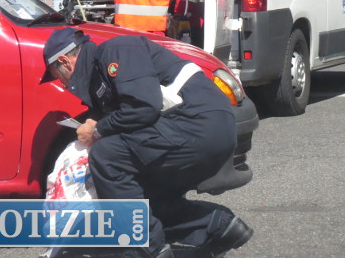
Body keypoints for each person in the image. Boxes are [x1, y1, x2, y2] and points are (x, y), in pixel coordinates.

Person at [40, 28, 253, 258]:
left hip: (199, 124)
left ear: (65, 61)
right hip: (198, 128)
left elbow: (143, 106)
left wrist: (98, 129)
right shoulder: (99, 73)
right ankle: (219, 226)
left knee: (106, 155)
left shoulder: (116, 51)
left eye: (56, 75)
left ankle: (146, 246)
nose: (61, 84)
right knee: (140, 197)